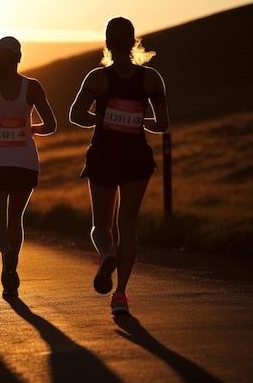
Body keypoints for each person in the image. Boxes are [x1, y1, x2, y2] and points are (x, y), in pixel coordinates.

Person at [69, 17, 169, 315]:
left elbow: (76, 114)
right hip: (136, 156)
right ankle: (121, 294)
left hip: (103, 154)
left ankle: (105, 255)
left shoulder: (97, 78)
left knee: (102, 224)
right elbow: (162, 124)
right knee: (127, 225)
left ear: (107, 43)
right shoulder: (151, 79)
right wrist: (137, 121)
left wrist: (103, 119)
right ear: (134, 41)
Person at [0, 36, 57, 297]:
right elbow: (51, 125)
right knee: (15, 218)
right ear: (19, 57)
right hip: (25, 163)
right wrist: (30, 128)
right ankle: (12, 264)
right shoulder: (33, 87)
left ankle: (6, 253)